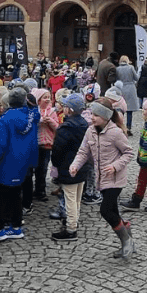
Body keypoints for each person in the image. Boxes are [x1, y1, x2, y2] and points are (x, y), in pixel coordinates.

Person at [69, 98, 135, 258]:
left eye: (96, 115)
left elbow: (129, 153)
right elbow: (83, 151)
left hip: (115, 179)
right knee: (112, 210)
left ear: (106, 117)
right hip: (101, 178)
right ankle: (126, 229)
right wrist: (75, 165)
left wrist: (115, 166)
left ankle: (127, 241)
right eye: (92, 114)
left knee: (105, 210)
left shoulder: (115, 133)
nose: (92, 118)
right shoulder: (90, 130)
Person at [0, 87, 37, 242]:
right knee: (16, 195)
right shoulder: (31, 117)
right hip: (23, 162)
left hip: (5, 163)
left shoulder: (5, 119)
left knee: (0, 196)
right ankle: (16, 227)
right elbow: (34, 142)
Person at [49, 94, 89, 241]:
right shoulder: (85, 124)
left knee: (70, 198)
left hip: (68, 167)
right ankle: (74, 221)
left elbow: (58, 150)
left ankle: (71, 228)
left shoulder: (66, 128)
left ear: (69, 110)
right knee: (77, 197)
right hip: (82, 166)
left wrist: (56, 166)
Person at [27, 88, 57, 208]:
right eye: (45, 97)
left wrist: (50, 122)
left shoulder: (52, 112)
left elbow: (57, 128)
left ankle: (41, 191)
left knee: (43, 169)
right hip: (34, 145)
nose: (48, 99)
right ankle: (31, 190)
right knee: (32, 169)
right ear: (38, 99)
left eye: (49, 97)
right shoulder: (34, 111)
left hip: (47, 145)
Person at [116, 55, 138, 121]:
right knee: (129, 109)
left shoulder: (117, 69)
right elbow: (136, 78)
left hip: (121, 88)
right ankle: (129, 126)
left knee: (121, 108)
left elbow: (116, 79)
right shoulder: (131, 68)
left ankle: (120, 123)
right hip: (130, 88)